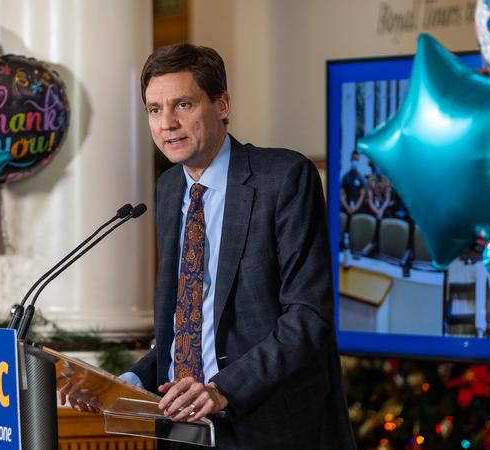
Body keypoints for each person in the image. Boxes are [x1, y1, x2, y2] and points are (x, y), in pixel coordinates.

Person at [62, 44, 356, 449]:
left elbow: (308, 316)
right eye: (154, 109)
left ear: (222, 105)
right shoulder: (169, 189)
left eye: (183, 105)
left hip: (268, 427)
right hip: (184, 428)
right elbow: (187, 327)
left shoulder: (283, 177)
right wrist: (125, 382)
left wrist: (221, 389)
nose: (167, 123)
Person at [340, 151, 366, 216]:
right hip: (346, 208)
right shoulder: (345, 177)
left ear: (358, 161)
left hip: (358, 210)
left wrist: (355, 208)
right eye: (353, 159)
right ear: (351, 160)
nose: (355, 161)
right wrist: (347, 208)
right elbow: (342, 195)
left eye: (356, 160)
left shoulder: (361, 178)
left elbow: (362, 196)